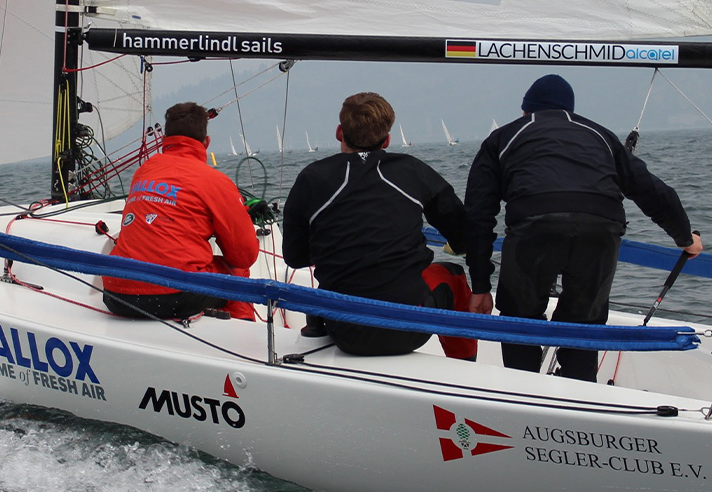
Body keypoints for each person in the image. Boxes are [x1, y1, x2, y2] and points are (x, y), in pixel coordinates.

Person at [464, 74, 703, 380]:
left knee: (520, 318)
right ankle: (580, 391)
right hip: (601, 225)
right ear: (570, 110)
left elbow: (478, 216)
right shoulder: (599, 134)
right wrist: (685, 238)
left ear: (526, 110)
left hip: (535, 224)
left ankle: (525, 389)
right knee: (584, 322)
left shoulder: (503, 138)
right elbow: (651, 190)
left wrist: (480, 285)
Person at [282, 92, 477, 358]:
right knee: (453, 273)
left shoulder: (311, 178)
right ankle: (464, 367)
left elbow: (294, 257)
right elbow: (464, 235)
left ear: (339, 132)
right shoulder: (413, 171)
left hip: (345, 331)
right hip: (409, 329)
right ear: (387, 140)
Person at [103, 102, 259, 321]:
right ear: (206, 142)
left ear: (165, 140)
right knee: (237, 270)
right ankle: (242, 328)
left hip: (116, 292)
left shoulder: (143, 171)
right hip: (173, 296)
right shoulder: (215, 182)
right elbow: (244, 256)